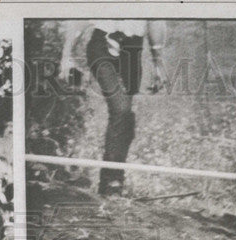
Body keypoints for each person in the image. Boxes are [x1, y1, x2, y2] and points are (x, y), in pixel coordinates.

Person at [61, 20, 167, 195]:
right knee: (121, 109)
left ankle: (112, 180)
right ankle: (112, 182)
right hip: (102, 44)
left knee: (124, 116)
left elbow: (156, 22)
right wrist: (66, 56)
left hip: (133, 50)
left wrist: (158, 64)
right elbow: (78, 18)